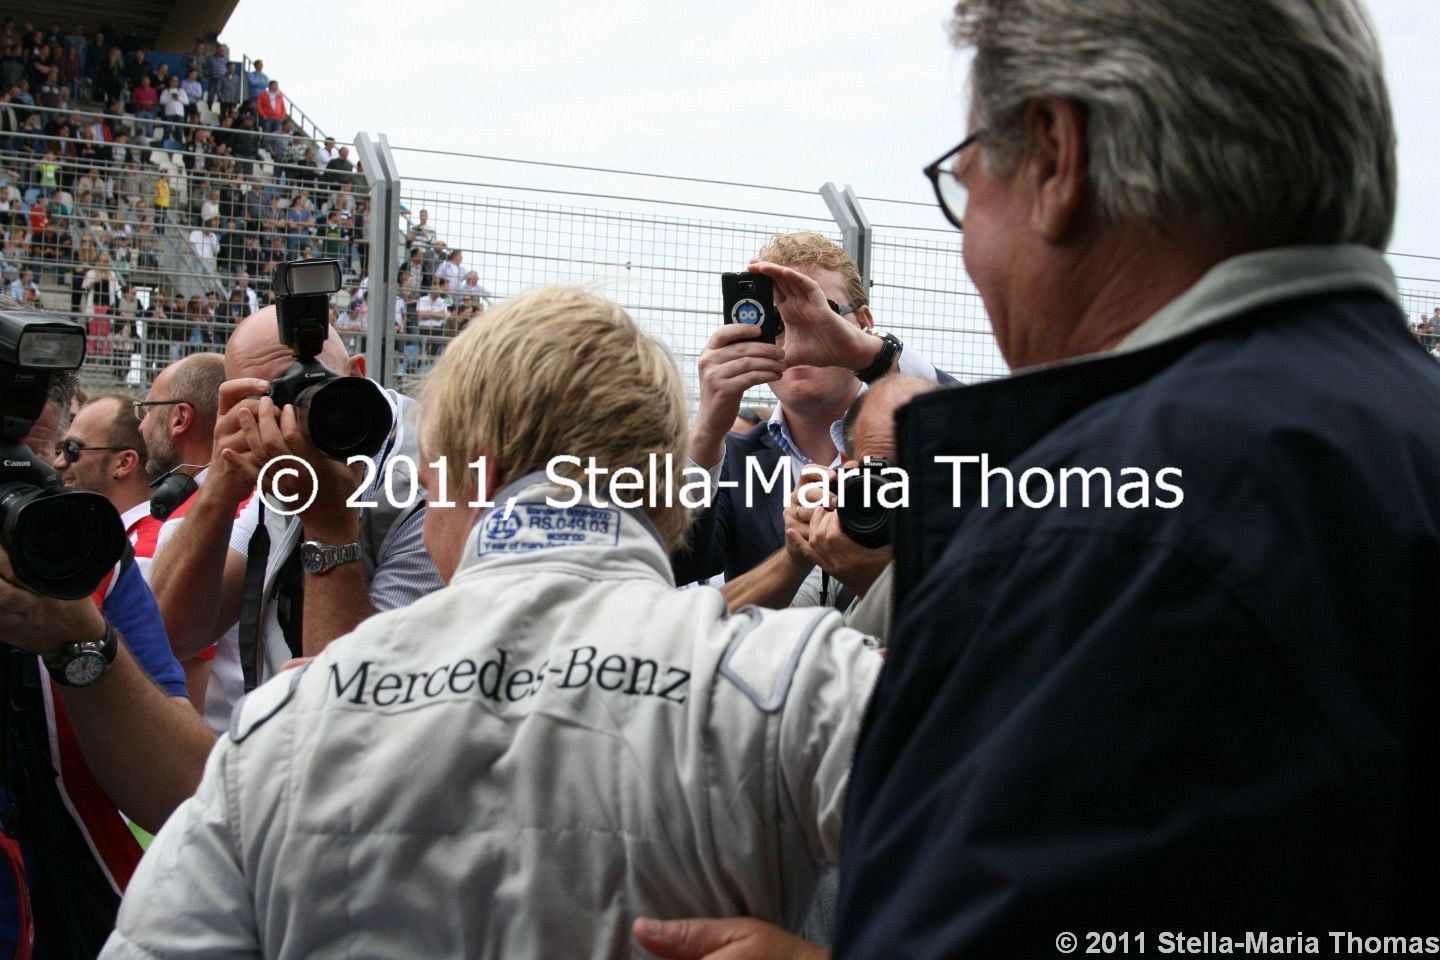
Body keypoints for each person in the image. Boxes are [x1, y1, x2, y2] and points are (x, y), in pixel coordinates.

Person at [827, 0, 1440, 953]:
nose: (970, 245)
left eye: (966, 183)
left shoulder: (1098, 537)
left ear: (1056, 156)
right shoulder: (1395, 435)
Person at [101, 286, 882, 958]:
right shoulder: (795, 679)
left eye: (429, 482)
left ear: (478, 471)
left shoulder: (288, 722)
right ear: (662, 485)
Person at [1, 318, 213, 956]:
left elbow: (185, 792)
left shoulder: (78, 555)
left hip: (74, 917)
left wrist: (79, 641)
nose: (18, 489)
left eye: (40, 463)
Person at [146, 305, 444, 723]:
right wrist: (220, 484)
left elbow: (356, 714)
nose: (291, 422)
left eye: (316, 389)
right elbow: (171, 635)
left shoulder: (431, 472)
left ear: (357, 375)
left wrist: (328, 522)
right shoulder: (279, 454)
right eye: (270, 400)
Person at [672, 232, 954, 587]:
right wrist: (706, 431)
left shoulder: (918, 437)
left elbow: (997, 449)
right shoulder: (730, 462)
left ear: (864, 322)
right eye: (775, 324)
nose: (796, 338)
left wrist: (876, 356)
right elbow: (676, 567)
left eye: (820, 312)